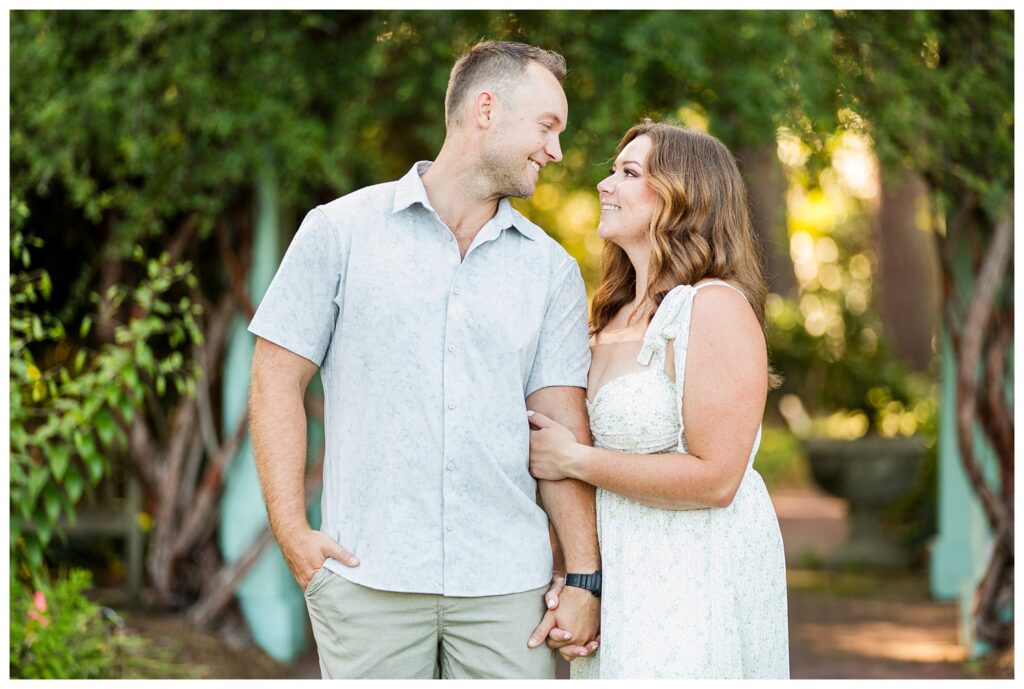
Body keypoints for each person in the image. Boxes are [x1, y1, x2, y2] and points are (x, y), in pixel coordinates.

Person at [247, 41, 601, 679]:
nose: (556, 151)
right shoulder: (339, 232)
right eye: (547, 127)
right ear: (485, 109)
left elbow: (561, 429)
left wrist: (584, 577)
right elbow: (276, 380)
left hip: (507, 590)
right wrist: (293, 534)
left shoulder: (551, 270)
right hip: (368, 576)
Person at [527, 121, 790, 678]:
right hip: (620, 570)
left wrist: (575, 459)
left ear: (683, 196)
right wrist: (578, 578)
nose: (604, 184)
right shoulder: (605, 318)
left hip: (696, 572)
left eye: (628, 173)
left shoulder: (713, 307)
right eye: (611, 170)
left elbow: (718, 479)